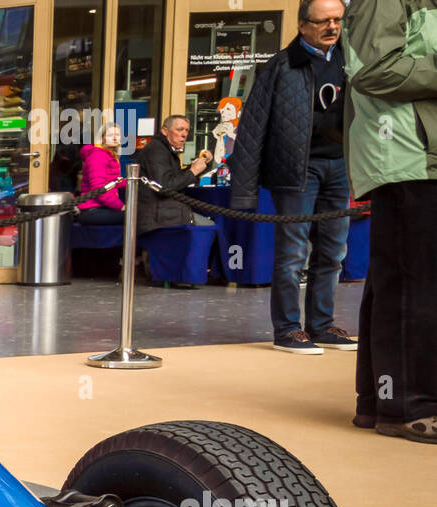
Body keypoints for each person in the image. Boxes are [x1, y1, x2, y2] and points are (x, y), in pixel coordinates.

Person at [228, 0, 355, 355]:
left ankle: (322, 325)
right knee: (292, 254)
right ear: (302, 25)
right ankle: (287, 330)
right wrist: (243, 194)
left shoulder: (351, 62)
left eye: (336, 20)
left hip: (341, 166)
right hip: (296, 171)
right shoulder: (280, 67)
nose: (332, 27)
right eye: (322, 22)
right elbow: (252, 129)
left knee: (333, 253)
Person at [344, 0, 437, 441]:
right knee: (412, 287)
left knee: (394, 283)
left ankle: (379, 400)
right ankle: (408, 408)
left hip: (415, 157)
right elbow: (375, 70)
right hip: (405, 155)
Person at [136, 115, 212, 235]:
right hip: (158, 218)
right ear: (165, 131)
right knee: (210, 228)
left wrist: (198, 167)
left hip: (164, 213)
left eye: (187, 130)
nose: (184, 134)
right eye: (179, 129)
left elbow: (172, 178)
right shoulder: (157, 151)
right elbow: (164, 186)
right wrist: (193, 172)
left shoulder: (164, 149)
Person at [75, 124, 124, 225]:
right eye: (110, 135)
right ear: (103, 138)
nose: (115, 138)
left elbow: (112, 182)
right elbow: (99, 189)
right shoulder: (98, 155)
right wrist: (120, 206)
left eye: (118, 135)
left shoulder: (109, 154)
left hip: (101, 207)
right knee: (134, 216)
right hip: (92, 209)